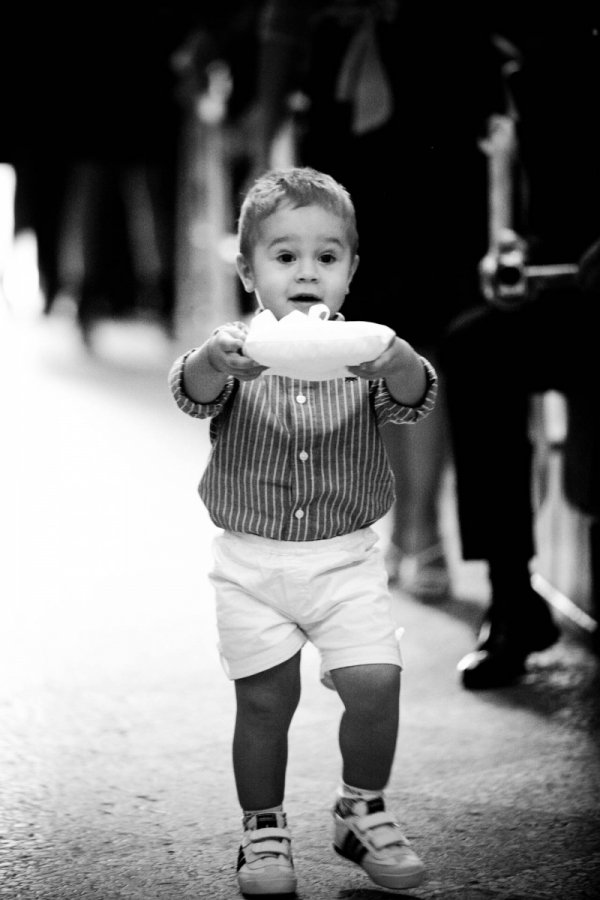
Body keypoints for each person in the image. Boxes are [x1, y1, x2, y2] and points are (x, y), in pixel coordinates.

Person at [168, 167, 437, 895]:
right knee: (265, 702)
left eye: (328, 256)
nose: (307, 272)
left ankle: (362, 808)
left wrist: (405, 362)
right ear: (249, 271)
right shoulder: (235, 349)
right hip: (252, 564)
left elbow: (414, 401)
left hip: (346, 559)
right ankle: (263, 827)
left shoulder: (364, 352)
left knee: (376, 684)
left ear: (351, 270)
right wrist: (208, 362)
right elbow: (191, 395)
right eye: (284, 256)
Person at [249, 0, 507, 599]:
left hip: (438, 120)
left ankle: (422, 525)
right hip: (343, 137)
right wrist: (265, 151)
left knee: (432, 330)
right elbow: (282, 25)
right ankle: (403, 523)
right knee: (367, 334)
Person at [441, 8, 600, 689]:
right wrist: (513, 256)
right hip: (567, 294)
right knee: (475, 348)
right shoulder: (528, 72)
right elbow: (550, 218)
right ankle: (513, 596)